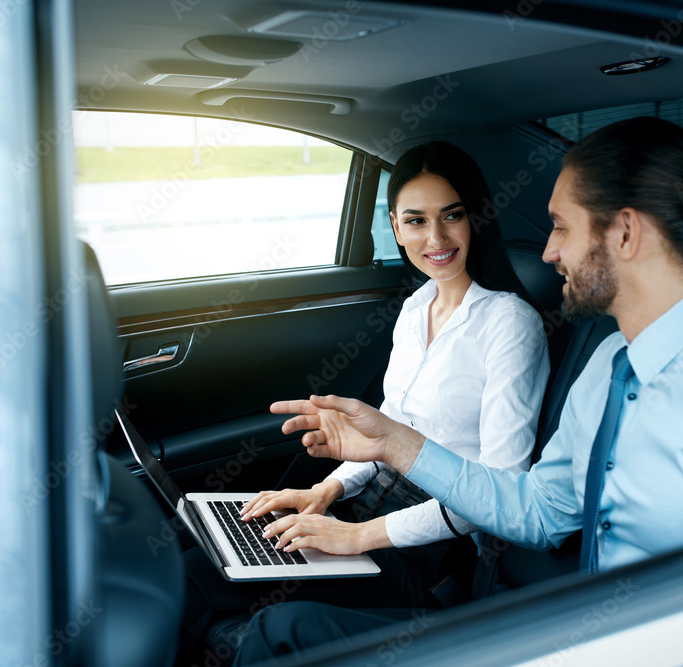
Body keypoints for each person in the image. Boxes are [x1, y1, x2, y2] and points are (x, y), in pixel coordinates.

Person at [231, 117, 683, 664]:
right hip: (566, 636)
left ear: (625, 233)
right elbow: (537, 513)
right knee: (282, 631)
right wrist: (394, 443)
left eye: (562, 227)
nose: (546, 252)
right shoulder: (608, 368)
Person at [180, 142, 549, 660]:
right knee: (197, 569)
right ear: (395, 227)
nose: (436, 239)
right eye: (416, 221)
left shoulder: (510, 323)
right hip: (361, 515)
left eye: (452, 216)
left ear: (477, 218)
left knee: (269, 618)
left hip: (428, 554)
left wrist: (357, 538)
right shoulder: (416, 307)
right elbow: (386, 434)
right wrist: (325, 490)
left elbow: (496, 494)